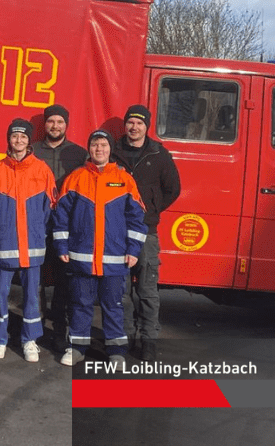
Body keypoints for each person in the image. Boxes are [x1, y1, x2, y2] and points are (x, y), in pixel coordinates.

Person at [54, 129, 147, 368]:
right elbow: (61, 216)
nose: (99, 149)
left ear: (110, 150)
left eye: (104, 145)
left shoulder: (124, 179)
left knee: (113, 306)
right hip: (81, 256)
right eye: (95, 145)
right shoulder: (76, 177)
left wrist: (133, 249)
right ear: (89, 148)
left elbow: (137, 218)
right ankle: (77, 348)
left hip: (114, 258)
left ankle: (116, 351)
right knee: (80, 304)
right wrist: (62, 245)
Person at [112, 104, 181, 362]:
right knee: (119, 290)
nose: (134, 127)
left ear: (146, 127)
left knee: (147, 290)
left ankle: (148, 340)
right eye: (130, 122)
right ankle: (125, 336)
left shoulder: (159, 155)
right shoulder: (113, 152)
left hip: (146, 233)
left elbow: (173, 189)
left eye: (139, 123)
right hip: (116, 233)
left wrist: (151, 211)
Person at [0, 117, 56, 362]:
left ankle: (29, 340)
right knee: (0, 295)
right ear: (9, 139)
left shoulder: (42, 170)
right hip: (4, 244)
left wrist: (37, 230)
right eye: (15, 136)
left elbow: (49, 208)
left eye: (23, 137)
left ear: (29, 142)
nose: (18, 140)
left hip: (32, 245)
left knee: (31, 296)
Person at [31, 104, 88, 352]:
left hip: (67, 226)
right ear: (45, 125)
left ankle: (59, 330)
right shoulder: (32, 150)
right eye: (51, 121)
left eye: (60, 122)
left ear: (66, 125)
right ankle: (35, 328)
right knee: (37, 280)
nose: (55, 126)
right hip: (36, 224)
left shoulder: (78, 153)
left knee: (65, 279)